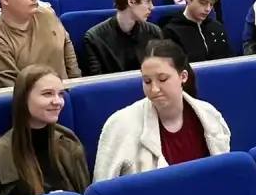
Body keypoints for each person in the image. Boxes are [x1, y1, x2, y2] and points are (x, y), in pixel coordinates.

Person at [93, 40, 231, 180]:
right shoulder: (120, 125)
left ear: (183, 76)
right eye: (147, 81)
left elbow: (224, 175)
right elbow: (103, 187)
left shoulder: (209, 115)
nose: (154, 89)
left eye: (163, 79)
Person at [0, 66, 90, 195]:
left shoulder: (69, 145)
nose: (57, 101)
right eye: (47, 94)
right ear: (23, 98)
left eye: (61, 94)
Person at [83, 0, 164, 75]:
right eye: (148, 0)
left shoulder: (154, 32)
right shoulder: (95, 38)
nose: (152, 7)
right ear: (131, 1)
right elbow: (97, 82)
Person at [161, 0, 231, 64]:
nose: (208, 9)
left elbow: (228, 61)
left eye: (211, 4)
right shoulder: (172, 32)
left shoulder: (217, 28)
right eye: (203, 3)